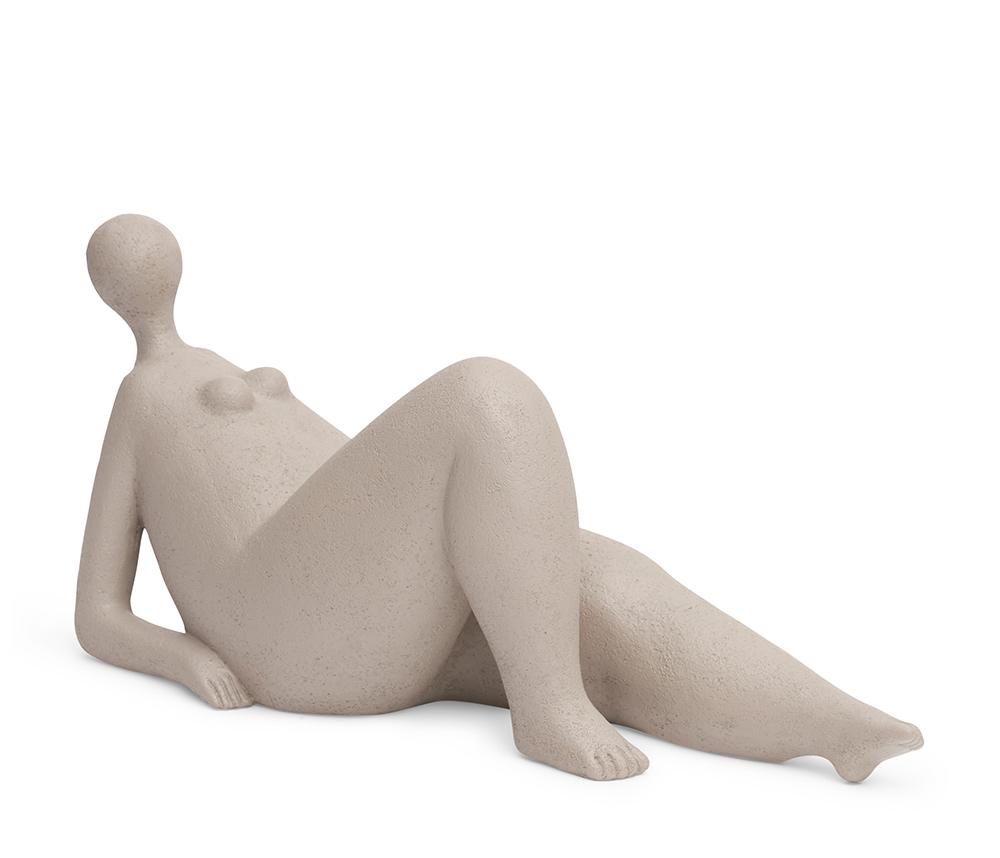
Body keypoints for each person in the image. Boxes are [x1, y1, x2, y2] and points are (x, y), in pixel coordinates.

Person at [76, 214, 923, 782]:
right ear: (111, 288)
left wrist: (458, 537)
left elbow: (350, 479)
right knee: (485, 397)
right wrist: (187, 659)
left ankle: (832, 726)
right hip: (280, 629)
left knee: (587, 577)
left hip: (357, 604)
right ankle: (547, 707)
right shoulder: (140, 401)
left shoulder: (223, 362)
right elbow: (96, 613)